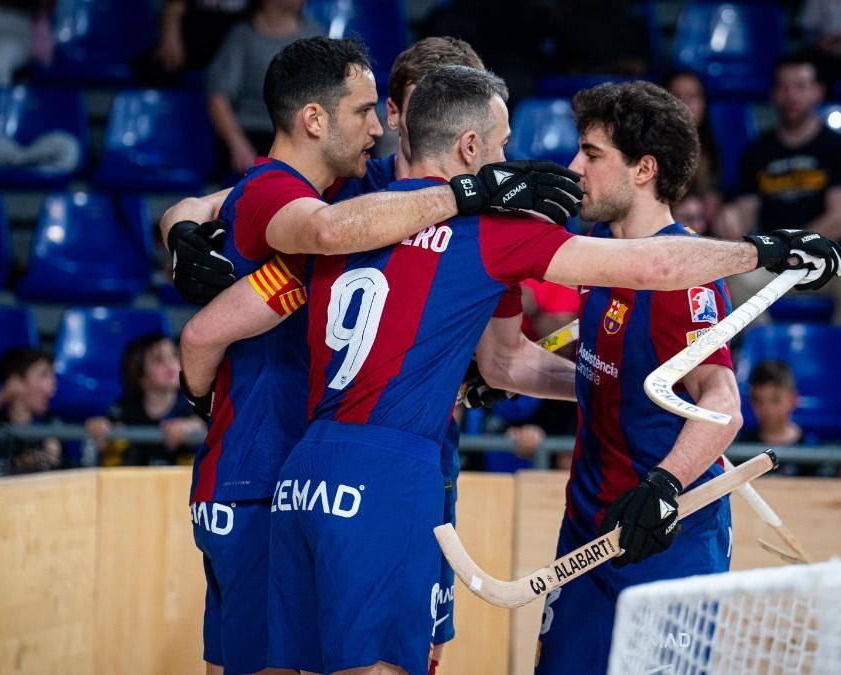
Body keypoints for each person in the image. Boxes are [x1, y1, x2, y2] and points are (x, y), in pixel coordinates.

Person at [185, 65, 841, 675]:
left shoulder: (350, 213)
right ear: (471, 147)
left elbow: (204, 325)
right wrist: (766, 249)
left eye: (588, 154)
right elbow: (635, 279)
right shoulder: (501, 233)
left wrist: (178, 230)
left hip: (305, 470)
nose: (548, 165)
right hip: (400, 475)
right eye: (502, 143)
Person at [162, 36, 581, 675]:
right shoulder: (359, 191)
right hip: (303, 453)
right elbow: (239, 200)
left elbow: (503, 360)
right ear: (394, 113)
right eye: (425, 106)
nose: (444, 126)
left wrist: (599, 380)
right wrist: (179, 225)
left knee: (412, 651)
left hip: (412, 454)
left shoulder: (493, 215)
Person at [530, 80, 745, 674]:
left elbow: (723, 401)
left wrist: (666, 485)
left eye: (592, 155)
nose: (574, 168)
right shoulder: (597, 250)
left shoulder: (688, 274)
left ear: (644, 169)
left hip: (665, 531)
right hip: (588, 528)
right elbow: (603, 372)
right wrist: (496, 375)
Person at [717, 55, 841, 342]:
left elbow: (839, 221)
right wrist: (728, 219)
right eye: (784, 87)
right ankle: (769, 359)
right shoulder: (757, 151)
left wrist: (789, 247)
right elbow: (745, 216)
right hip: (773, 259)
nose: (791, 95)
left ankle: (838, 363)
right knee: (732, 281)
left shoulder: (840, 147)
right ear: (773, 94)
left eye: (800, 86)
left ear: (818, 91)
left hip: (826, 255)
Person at [206, 0, 322, 173]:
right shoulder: (241, 36)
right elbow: (217, 97)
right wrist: (237, 144)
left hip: (302, 136)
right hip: (254, 136)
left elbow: (329, 93)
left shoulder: (315, 34)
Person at [85, 333, 203, 467]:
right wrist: (100, 427)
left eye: (174, 355)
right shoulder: (125, 407)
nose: (170, 364)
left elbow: (206, 425)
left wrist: (191, 426)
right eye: (158, 360)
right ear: (140, 376)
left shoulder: (191, 403)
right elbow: (107, 427)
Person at [0, 347, 61, 473]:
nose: (53, 387)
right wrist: (3, 395)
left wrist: (51, 460)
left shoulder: (50, 423)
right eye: (44, 375)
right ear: (15, 382)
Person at [738, 360, 831, 477]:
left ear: (794, 399)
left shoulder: (811, 449)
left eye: (775, 400)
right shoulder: (743, 446)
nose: (767, 409)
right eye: (758, 400)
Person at [136, 0, 248, 87]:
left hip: (241, 47)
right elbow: (174, 7)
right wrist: (170, 36)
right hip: (193, 41)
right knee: (159, 66)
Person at [666, 70, 722, 228]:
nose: (684, 105)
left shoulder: (709, 148)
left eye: (692, 96)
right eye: (676, 97)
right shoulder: (651, 149)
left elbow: (712, 194)